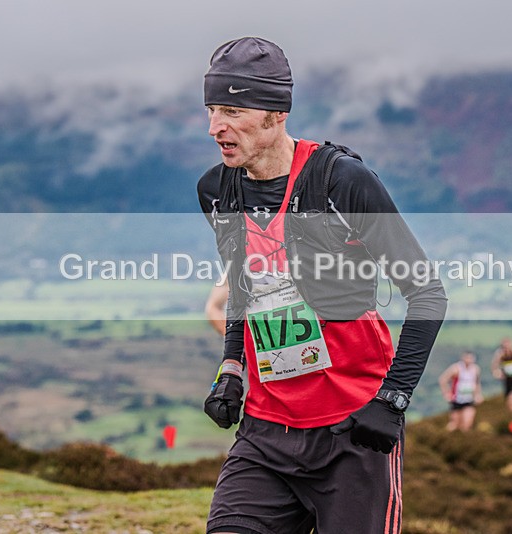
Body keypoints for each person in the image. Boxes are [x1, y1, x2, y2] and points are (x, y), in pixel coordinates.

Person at [196, 37, 448, 534]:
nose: (214, 128)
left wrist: (392, 399)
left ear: (275, 113)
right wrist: (232, 367)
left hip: (353, 431)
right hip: (266, 429)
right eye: (210, 110)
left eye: (230, 110)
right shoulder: (217, 190)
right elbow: (246, 289)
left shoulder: (341, 182)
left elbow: (427, 293)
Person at [439, 351, 483, 432]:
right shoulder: (456, 368)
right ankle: (445, 437)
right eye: (467, 358)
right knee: (455, 424)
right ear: (463, 358)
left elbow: (477, 383)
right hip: (457, 400)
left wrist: (478, 395)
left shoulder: (475, 369)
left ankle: (464, 442)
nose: (469, 360)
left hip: (469, 399)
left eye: (471, 358)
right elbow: (443, 379)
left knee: (467, 424)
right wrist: (446, 393)